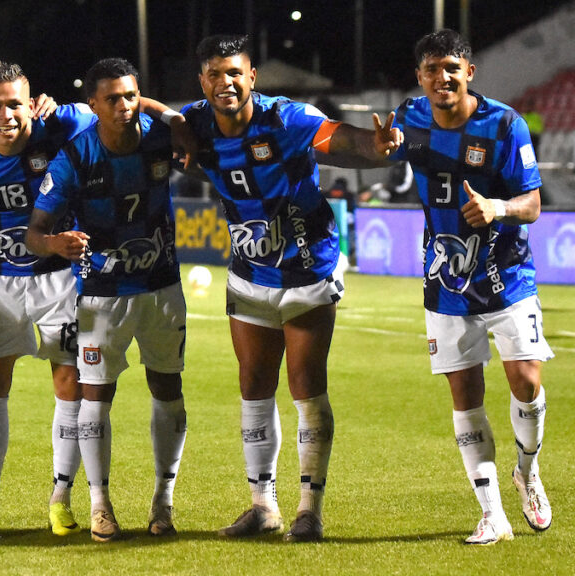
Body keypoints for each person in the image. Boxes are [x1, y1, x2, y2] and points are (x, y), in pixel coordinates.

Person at [180, 34, 399, 542]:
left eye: (235, 73)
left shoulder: (286, 119)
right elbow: (139, 112)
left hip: (307, 269)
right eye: (215, 74)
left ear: (252, 77)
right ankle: (263, 506)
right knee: (254, 384)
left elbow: (340, 140)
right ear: (202, 82)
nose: (225, 82)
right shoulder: (193, 122)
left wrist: (375, 146)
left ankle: (309, 510)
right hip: (251, 273)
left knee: (305, 382)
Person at [388, 30, 552, 545]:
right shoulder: (408, 118)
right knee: (465, 396)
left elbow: (533, 203)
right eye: (432, 69)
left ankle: (527, 471)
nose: (442, 78)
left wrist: (497, 207)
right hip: (447, 281)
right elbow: (378, 151)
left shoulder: (504, 124)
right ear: (420, 76)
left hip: (507, 276)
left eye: (451, 69)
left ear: (469, 73)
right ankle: (492, 514)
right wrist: (378, 146)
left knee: (526, 381)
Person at [27, 58, 189, 542]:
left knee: (168, 389)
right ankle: (100, 505)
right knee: (96, 398)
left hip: (161, 287)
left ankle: (163, 501)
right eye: (112, 99)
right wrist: (54, 243)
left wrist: (175, 119)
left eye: (131, 96)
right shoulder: (74, 157)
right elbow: (35, 232)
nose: (124, 106)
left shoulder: (160, 139)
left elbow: (186, 133)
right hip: (102, 295)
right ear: (93, 105)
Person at [0, 61, 96, 540]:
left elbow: (115, 113)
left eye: (15, 105)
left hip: (59, 276)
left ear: (31, 104)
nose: (6, 115)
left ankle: (61, 500)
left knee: (69, 381)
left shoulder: (63, 125)